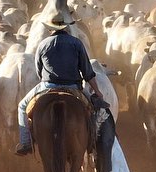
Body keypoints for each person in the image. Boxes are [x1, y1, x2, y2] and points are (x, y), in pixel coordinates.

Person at [15, 10, 105, 156]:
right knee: (95, 109)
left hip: (48, 85)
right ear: (66, 27)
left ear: (50, 28)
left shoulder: (43, 44)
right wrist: (98, 92)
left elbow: (39, 71)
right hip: (74, 86)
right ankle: (94, 141)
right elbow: (87, 72)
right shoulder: (77, 43)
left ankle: (25, 143)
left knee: (22, 106)